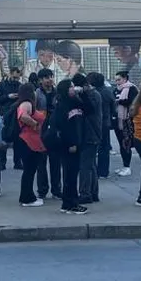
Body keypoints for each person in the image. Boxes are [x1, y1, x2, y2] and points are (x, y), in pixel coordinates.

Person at [51, 79, 89, 214]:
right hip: (68, 145)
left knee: (73, 173)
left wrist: (84, 94)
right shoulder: (61, 105)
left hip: (78, 142)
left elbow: (90, 109)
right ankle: (70, 203)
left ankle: (70, 202)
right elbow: (61, 127)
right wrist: (71, 143)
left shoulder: (76, 102)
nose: (74, 89)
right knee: (70, 174)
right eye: (71, 87)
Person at [12, 82, 46, 207]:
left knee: (29, 170)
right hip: (28, 140)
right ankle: (27, 198)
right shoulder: (26, 104)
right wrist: (35, 124)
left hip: (29, 140)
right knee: (29, 170)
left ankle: (27, 196)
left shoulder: (25, 103)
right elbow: (23, 116)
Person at [72, 73, 102, 206]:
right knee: (90, 166)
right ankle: (93, 193)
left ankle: (85, 194)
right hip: (90, 134)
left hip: (90, 134)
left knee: (85, 166)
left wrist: (81, 95)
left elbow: (89, 109)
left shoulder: (93, 95)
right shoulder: (93, 94)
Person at [34, 68, 62, 199]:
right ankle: (42, 190)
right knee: (41, 163)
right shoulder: (37, 94)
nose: (49, 79)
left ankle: (56, 190)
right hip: (41, 131)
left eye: (51, 76)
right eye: (46, 77)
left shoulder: (58, 93)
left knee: (56, 163)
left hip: (55, 132)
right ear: (40, 80)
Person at [89, 72, 115, 178]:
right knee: (104, 148)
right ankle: (103, 171)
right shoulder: (107, 92)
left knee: (92, 148)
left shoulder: (92, 93)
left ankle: (93, 170)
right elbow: (113, 107)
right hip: (105, 123)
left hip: (93, 124)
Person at [113, 70, 138, 177]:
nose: (117, 82)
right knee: (121, 143)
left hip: (128, 121)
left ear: (125, 79)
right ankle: (124, 166)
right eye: (116, 80)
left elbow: (133, 102)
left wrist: (119, 101)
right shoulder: (116, 90)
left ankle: (127, 167)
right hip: (119, 120)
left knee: (126, 143)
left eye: (119, 80)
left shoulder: (131, 88)